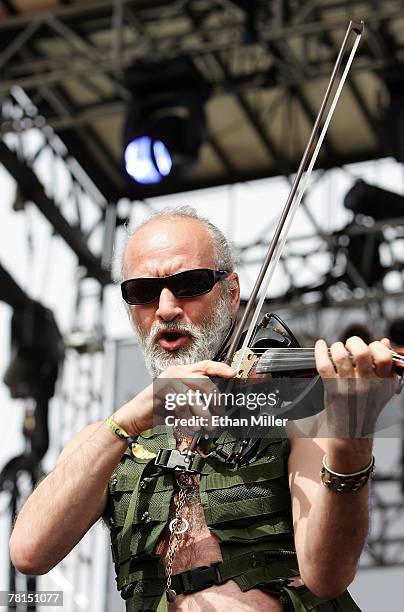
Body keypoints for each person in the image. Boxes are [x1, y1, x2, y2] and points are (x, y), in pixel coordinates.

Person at [9, 206, 395, 612]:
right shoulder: (108, 438)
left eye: (189, 284)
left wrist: (354, 432)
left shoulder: (294, 411)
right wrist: (127, 421)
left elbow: (327, 574)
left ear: (231, 293)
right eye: (142, 292)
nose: (166, 308)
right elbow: (30, 551)